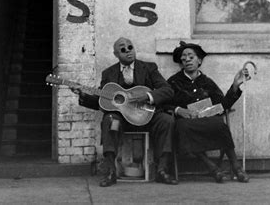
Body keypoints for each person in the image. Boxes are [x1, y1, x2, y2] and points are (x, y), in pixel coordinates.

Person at [74, 37, 178, 187]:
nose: (128, 51)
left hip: (147, 117)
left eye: (130, 47)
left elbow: (167, 90)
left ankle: (162, 170)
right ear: (116, 54)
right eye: (123, 49)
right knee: (110, 120)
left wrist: (148, 96)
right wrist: (82, 94)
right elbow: (102, 102)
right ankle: (110, 172)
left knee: (166, 120)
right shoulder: (108, 74)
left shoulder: (149, 68)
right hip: (121, 121)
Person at [167, 41, 250, 183]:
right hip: (188, 122)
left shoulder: (207, 82)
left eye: (191, 56)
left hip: (208, 119)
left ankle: (236, 167)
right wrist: (179, 110)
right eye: (183, 58)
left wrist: (235, 85)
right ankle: (212, 168)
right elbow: (163, 103)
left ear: (199, 60)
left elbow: (223, 104)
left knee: (220, 125)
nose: (187, 59)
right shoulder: (174, 82)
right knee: (183, 128)